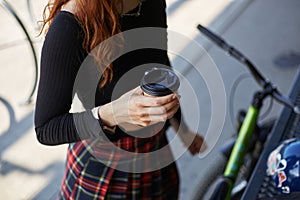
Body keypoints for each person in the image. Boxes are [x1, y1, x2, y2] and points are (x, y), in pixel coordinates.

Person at [34, 0, 206, 199]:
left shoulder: (152, 3)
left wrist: (181, 128)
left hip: (153, 152)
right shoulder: (71, 25)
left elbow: (159, 66)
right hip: (102, 165)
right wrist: (112, 113)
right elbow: (46, 128)